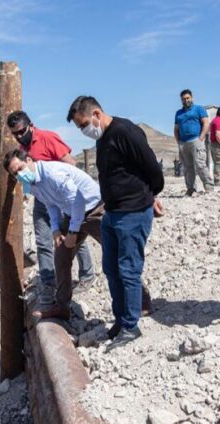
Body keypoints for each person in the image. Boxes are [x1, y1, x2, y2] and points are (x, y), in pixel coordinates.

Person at [67, 96, 164, 345]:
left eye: (84, 124)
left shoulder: (125, 132)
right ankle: (120, 321)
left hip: (132, 213)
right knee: (111, 269)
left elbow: (152, 168)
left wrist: (149, 196)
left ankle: (131, 326)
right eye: (80, 127)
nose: (84, 130)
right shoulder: (103, 140)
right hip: (111, 212)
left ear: (97, 114)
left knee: (129, 270)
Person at [6, 111, 96, 304]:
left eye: (21, 131)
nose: (19, 136)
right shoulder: (23, 148)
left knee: (77, 232)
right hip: (42, 195)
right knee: (44, 237)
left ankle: (87, 275)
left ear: (31, 125)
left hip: (65, 194)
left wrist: (66, 192)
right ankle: (49, 280)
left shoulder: (47, 138)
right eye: (15, 134)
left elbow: (70, 164)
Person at [174, 89, 213, 195]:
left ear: (192, 98)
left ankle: (209, 187)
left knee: (200, 164)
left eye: (187, 98)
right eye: (183, 99)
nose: (186, 100)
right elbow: (176, 129)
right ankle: (191, 189)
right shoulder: (178, 113)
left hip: (196, 140)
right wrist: (178, 142)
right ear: (181, 100)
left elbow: (206, 123)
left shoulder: (199, 109)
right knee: (187, 167)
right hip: (183, 143)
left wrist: (201, 137)